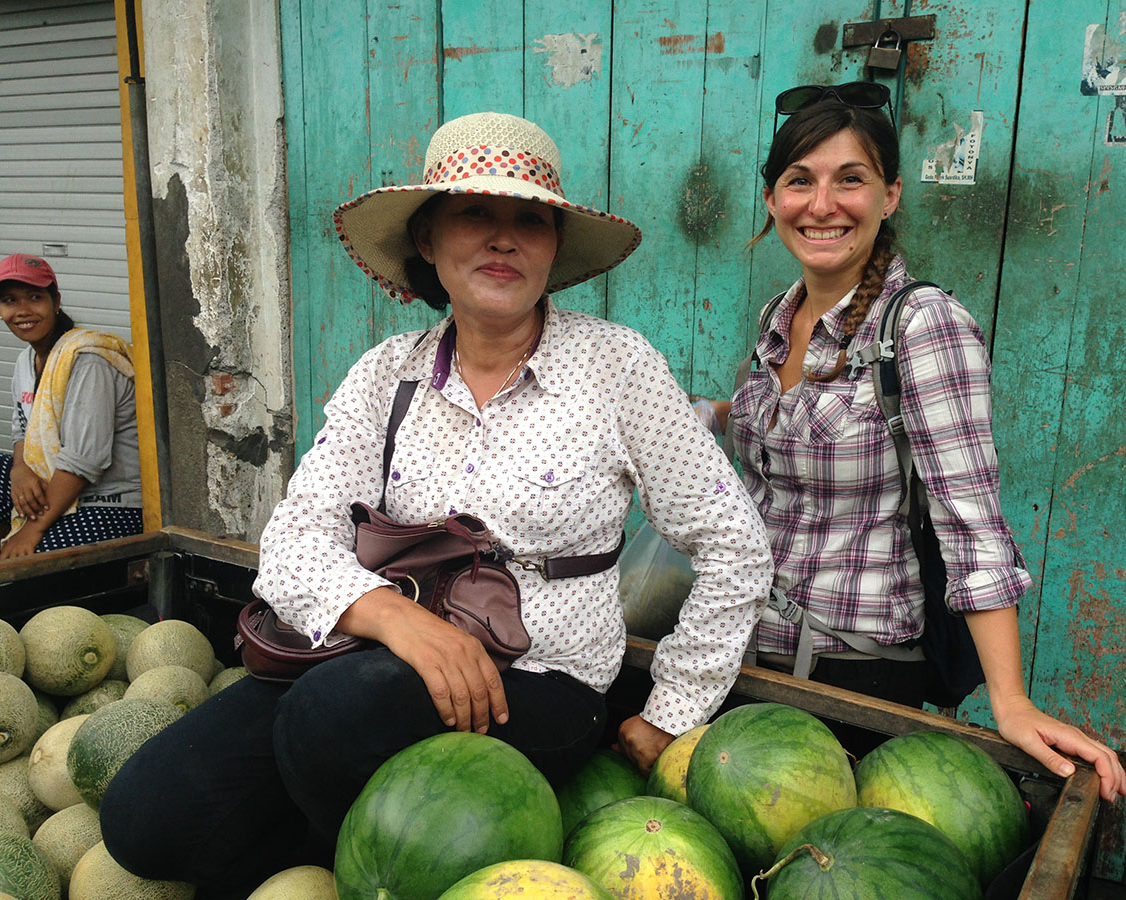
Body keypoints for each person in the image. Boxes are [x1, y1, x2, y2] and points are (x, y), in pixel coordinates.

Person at [99, 111, 772, 898]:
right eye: (474, 213)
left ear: (554, 248)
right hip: (369, 658)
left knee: (331, 722)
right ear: (426, 239)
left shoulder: (616, 368)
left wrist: (673, 708)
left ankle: (364, 871)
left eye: (530, 219)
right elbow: (295, 537)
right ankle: (312, 856)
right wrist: (399, 620)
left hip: (540, 680)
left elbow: (733, 543)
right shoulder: (388, 373)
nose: (503, 238)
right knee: (144, 819)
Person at [715, 82, 1126, 801]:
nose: (822, 204)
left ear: (891, 194)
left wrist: (1011, 700)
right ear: (772, 198)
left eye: (852, 179)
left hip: (853, 671)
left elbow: (970, 521)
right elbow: (783, 439)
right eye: (799, 181)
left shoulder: (921, 325)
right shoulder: (777, 318)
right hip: (743, 651)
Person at [0, 253, 142, 558]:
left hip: (108, 501)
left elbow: (83, 461)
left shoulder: (89, 360)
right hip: (51, 482)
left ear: (55, 301)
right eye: (10, 301)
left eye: (35, 297)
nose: (23, 311)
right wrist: (19, 470)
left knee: (30, 568)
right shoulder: (25, 361)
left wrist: (30, 531)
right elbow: (21, 426)